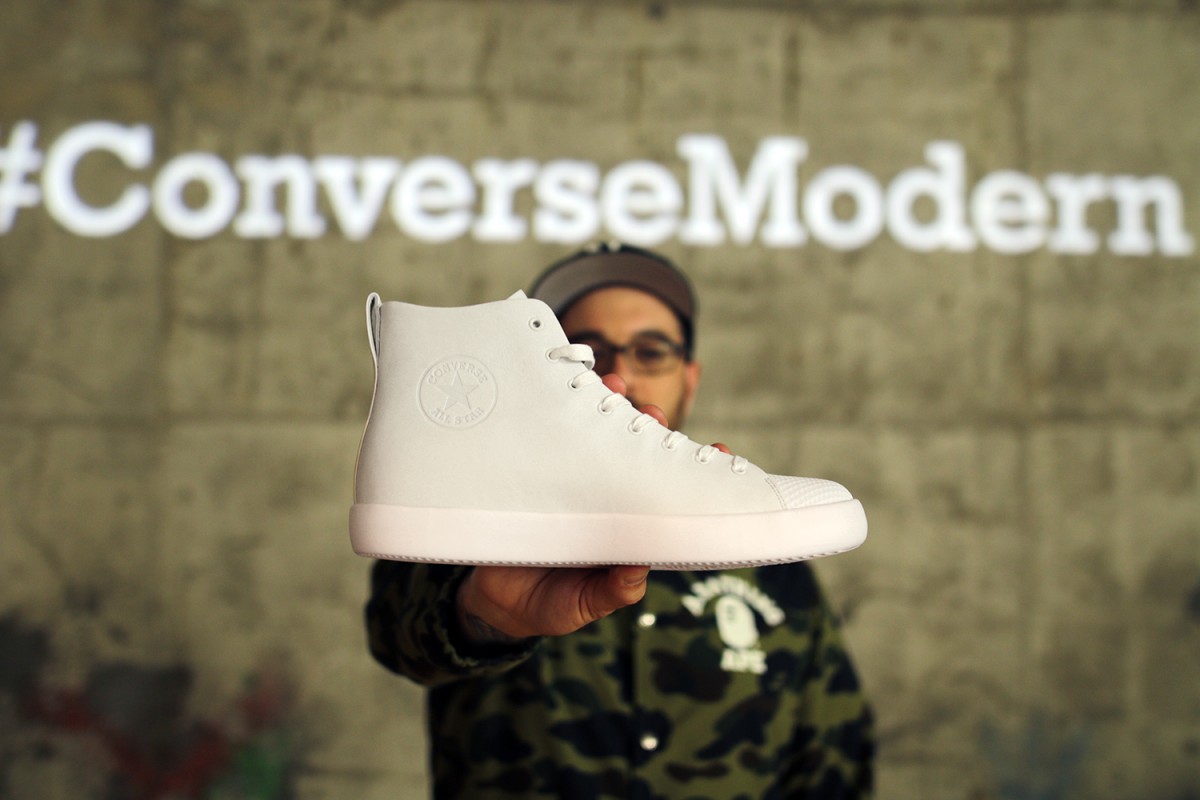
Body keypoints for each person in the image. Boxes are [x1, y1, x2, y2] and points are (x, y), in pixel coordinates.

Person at [365, 243, 875, 799]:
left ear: (690, 378)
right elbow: (396, 633)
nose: (619, 372)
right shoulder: (466, 521)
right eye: (584, 355)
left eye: (651, 351)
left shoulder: (775, 564)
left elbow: (833, 758)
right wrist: (482, 613)